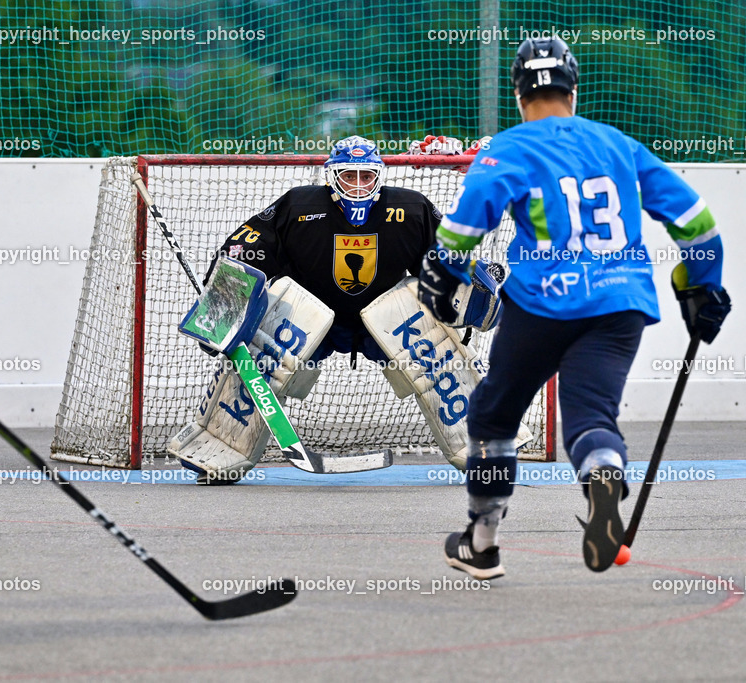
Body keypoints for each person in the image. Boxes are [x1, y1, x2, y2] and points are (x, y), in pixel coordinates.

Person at [419, 39, 731, 580]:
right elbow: (698, 223)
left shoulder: (510, 148)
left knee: (494, 417)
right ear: (573, 90)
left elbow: (466, 225)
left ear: (519, 94)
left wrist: (443, 272)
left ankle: (483, 540)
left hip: (541, 305)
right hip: (619, 303)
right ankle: (603, 475)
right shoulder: (619, 144)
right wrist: (702, 288)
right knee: (590, 414)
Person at [170, 135, 505, 484]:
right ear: (332, 176)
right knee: (265, 354)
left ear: (379, 176)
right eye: (349, 175)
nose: (358, 185)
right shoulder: (297, 206)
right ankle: (218, 447)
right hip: (310, 317)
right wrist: (223, 306)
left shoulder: (411, 209)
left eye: (366, 176)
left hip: (384, 319)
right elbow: (244, 248)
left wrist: (476, 285)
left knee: (434, 350)